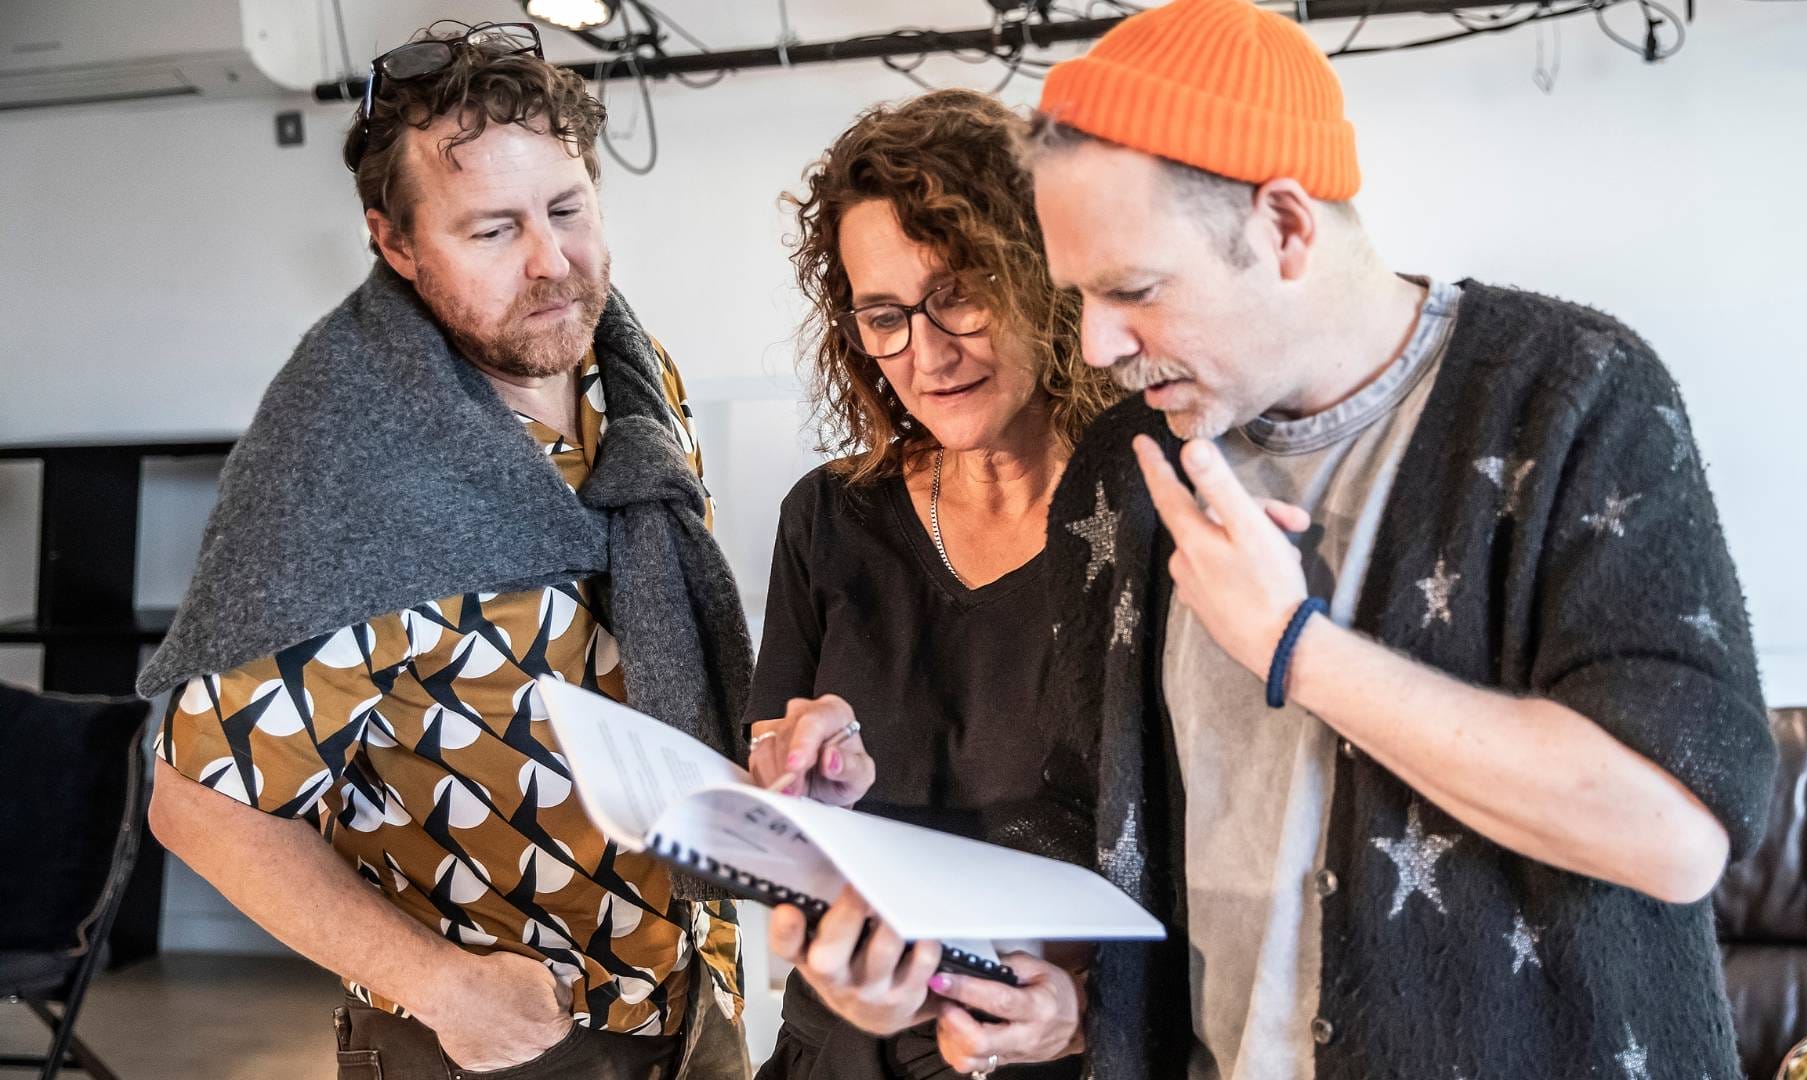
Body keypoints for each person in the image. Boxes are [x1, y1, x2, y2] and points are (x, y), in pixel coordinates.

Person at [910, 1, 1779, 1077]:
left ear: (1284, 226)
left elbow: (1673, 830)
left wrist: (1296, 646)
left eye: (1133, 290)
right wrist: (1042, 987)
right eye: (1080, 295)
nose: (1096, 345)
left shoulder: (1575, 396)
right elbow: (1097, 818)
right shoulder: (1125, 468)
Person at [139, 22, 754, 1079]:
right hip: (492, 1039)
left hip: (693, 998)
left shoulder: (633, 376)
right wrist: (443, 988)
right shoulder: (343, 465)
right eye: (492, 231)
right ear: (397, 244)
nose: (551, 263)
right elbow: (198, 803)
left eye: (568, 211)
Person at [741, 88, 1118, 1080]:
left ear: (1045, 274)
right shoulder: (829, 520)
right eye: (885, 317)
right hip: (840, 1056)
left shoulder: (1158, 516)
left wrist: (1082, 1011)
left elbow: (1217, 855)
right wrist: (795, 799)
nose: (928, 352)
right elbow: (781, 806)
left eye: (960, 291)